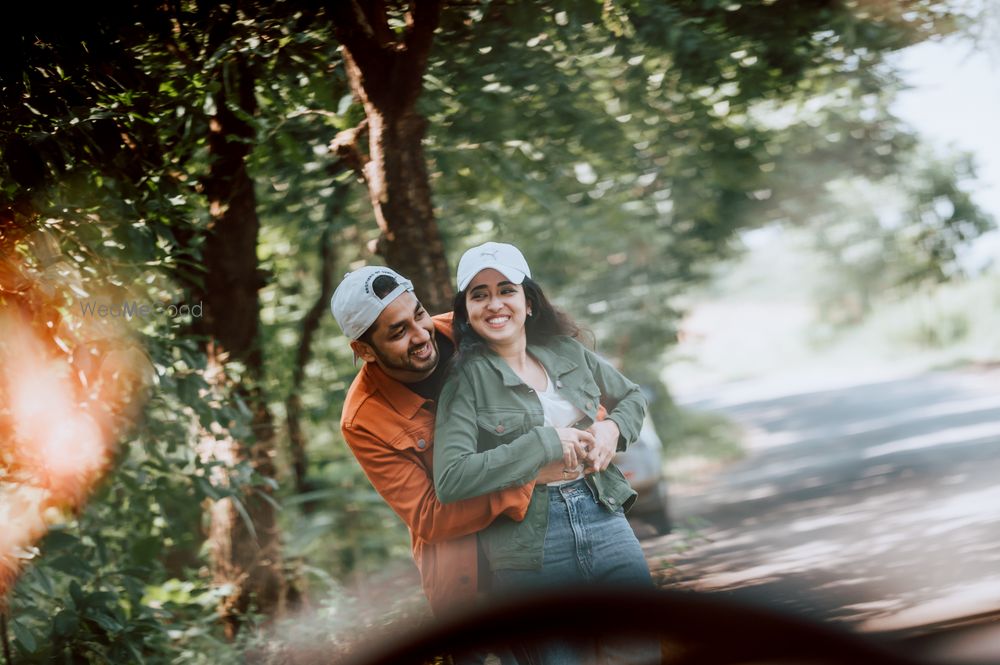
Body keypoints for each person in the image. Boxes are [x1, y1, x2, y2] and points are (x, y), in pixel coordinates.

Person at [433, 242, 659, 665]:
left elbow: (630, 397)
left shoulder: (566, 352)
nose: (494, 304)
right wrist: (543, 443)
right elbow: (452, 478)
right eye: (479, 295)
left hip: (604, 516)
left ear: (529, 302)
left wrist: (611, 427)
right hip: (529, 545)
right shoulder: (465, 382)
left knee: (637, 648)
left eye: (506, 290)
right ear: (465, 312)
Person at [330, 266, 567, 664]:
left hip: (546, 544)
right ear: (364, 350)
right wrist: (527, 477)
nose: (421, 335)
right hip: (469, 580)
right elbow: (429, 516)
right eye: (397, 331)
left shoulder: (473, 331)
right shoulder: (364, 419)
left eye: (418, 314)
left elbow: (566, 383)